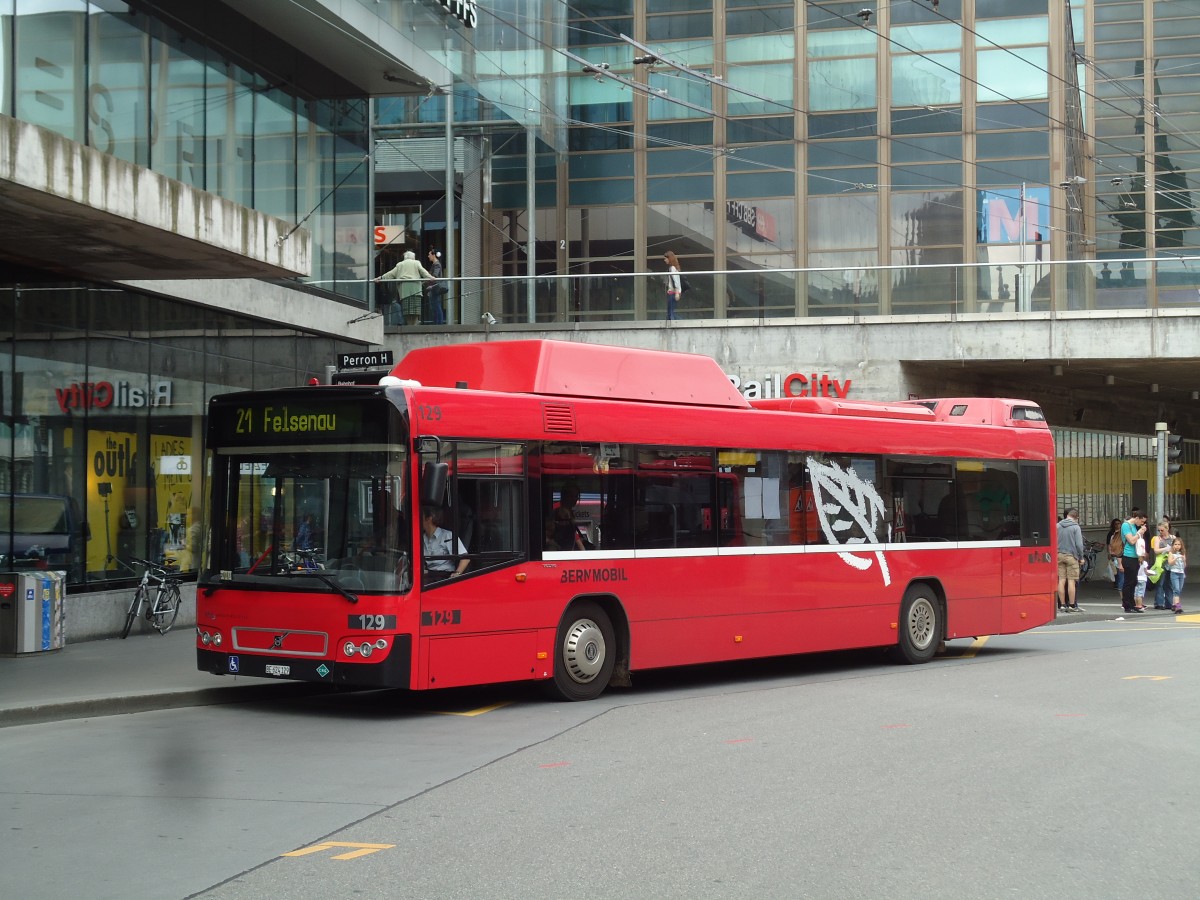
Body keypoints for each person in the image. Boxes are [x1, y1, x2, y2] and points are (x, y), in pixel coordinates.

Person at [375, 250, 434, 327]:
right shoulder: (416, 263)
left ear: (405, 257)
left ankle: (409, 325)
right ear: (413, 257)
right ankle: (414, 324)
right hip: (415, 289)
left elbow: (391, 274)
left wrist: (380, 278)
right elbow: (423, 272)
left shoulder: (400, 265)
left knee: (407, 310)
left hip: (404, 290)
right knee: (415, 310)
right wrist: (430, 277)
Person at [421, 506, 468, 580]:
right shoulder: (421, 539)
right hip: (429, 575)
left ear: (429, 518)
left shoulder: (447, 535)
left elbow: (465, 558)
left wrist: (457, 573)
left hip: (444, 576)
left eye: (420, 516)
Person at [1056, 508, 1085, 612]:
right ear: (1076, 517)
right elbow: (1079, 544)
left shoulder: (1057, 526)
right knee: (1071, 581)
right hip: (1071, 556)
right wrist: (1081, 558)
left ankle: (1062, 605)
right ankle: (1072, 605)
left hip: (1058, 555)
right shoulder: (1075, 527)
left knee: (1061, 580)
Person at [1119, 509, 1147, 612]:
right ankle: (1127, 604)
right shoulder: (1126, 525)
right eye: (1142, 521)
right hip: (1128, 556)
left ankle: (1132, 603)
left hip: (1135, 557)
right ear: (1136, 518)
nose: (1142, 523)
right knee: (1128, 581)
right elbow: (1131, 541)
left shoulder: (1135, 527)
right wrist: (1139, 533)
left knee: (1134, 581)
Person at [551, 482, 587, 551]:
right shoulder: (562, 513)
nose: (574, 499)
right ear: (564, 496)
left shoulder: (569, 512)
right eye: (571, 496)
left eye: (576, 496)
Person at [1151, 517, 1174, 609]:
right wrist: (1166, 549)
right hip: (1161, 563)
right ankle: (1159, 603)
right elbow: (1156, 550)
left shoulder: (1173, 538)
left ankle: (1169, 603)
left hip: (1170, 562)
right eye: (1159, 530)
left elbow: (1178, 548)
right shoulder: (1157, 538)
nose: (1160, 532)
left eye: (1162, 530)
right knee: (1160, 583)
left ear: (1167, 529)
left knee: (1169, 584)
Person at [425, 250, 447, 325]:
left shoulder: (436, 264)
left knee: (436, 305)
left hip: (435, 287)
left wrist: (429, 284)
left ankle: (439, 323)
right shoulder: (435, 264)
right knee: (435, 305)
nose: (428, 256)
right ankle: (437, 322)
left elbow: (435, 276)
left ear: (433, 255)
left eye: (429, 254)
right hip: (433, 287)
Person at [1167, 537, 1187, 614]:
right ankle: (1178, 607)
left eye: (1179, 544)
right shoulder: (1171, 553)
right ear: (1173, 545)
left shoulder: (1182, 553)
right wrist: (1175, 558)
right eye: (1175, 544)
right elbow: (1170, 563)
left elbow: (1184, 565)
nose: (1177, 546)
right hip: (1174, 573)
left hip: (1181, 573)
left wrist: (1183, 560)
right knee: (1176, 590)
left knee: (1179, 590)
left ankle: (1174, 604)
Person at [1105, 517, 1124, 591]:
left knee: (1120, 568)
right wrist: (1109, 553)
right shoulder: (1111, 533)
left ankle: (1119, 584)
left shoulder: (1122, 532)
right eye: (1116, 524)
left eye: (1119, 523)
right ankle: (1116, 583)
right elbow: (1108, 544)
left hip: (1120, 552)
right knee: (1114, 569)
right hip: (1113, 553)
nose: (1117, 525)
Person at [663, 250, 682, 321]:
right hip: (673, 292)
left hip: (673, 293)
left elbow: (675, 281)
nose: (664, 260)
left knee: (670, 313)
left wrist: (676, 293)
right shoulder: (673, 268)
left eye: (666, 258)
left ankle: (680, 322)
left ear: (669, 258)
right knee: (670, 312)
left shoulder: (672, 268)